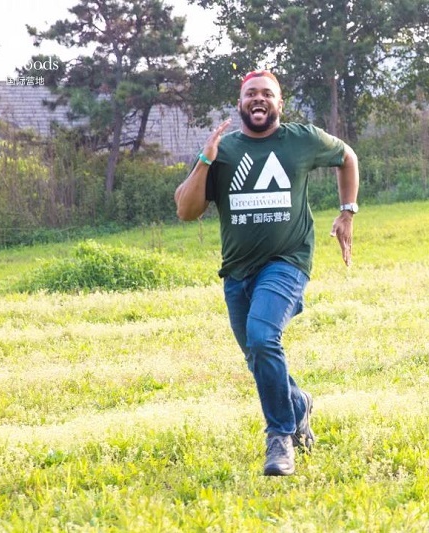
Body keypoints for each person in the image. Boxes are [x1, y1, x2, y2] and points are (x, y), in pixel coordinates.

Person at [174, 70, 359, 476]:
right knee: (257, 355)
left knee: (262, 337)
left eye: (267, 94)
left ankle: (280, 437)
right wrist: (205, 159)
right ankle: (298, 403)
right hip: (237, 271)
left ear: (280, 103)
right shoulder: (222, 151)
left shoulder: (300, 140)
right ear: (240, 103)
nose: (259, 99)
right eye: (251, 94)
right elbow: (186, 211)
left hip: (287, 262)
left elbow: (347, 156)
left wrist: (348, 211)